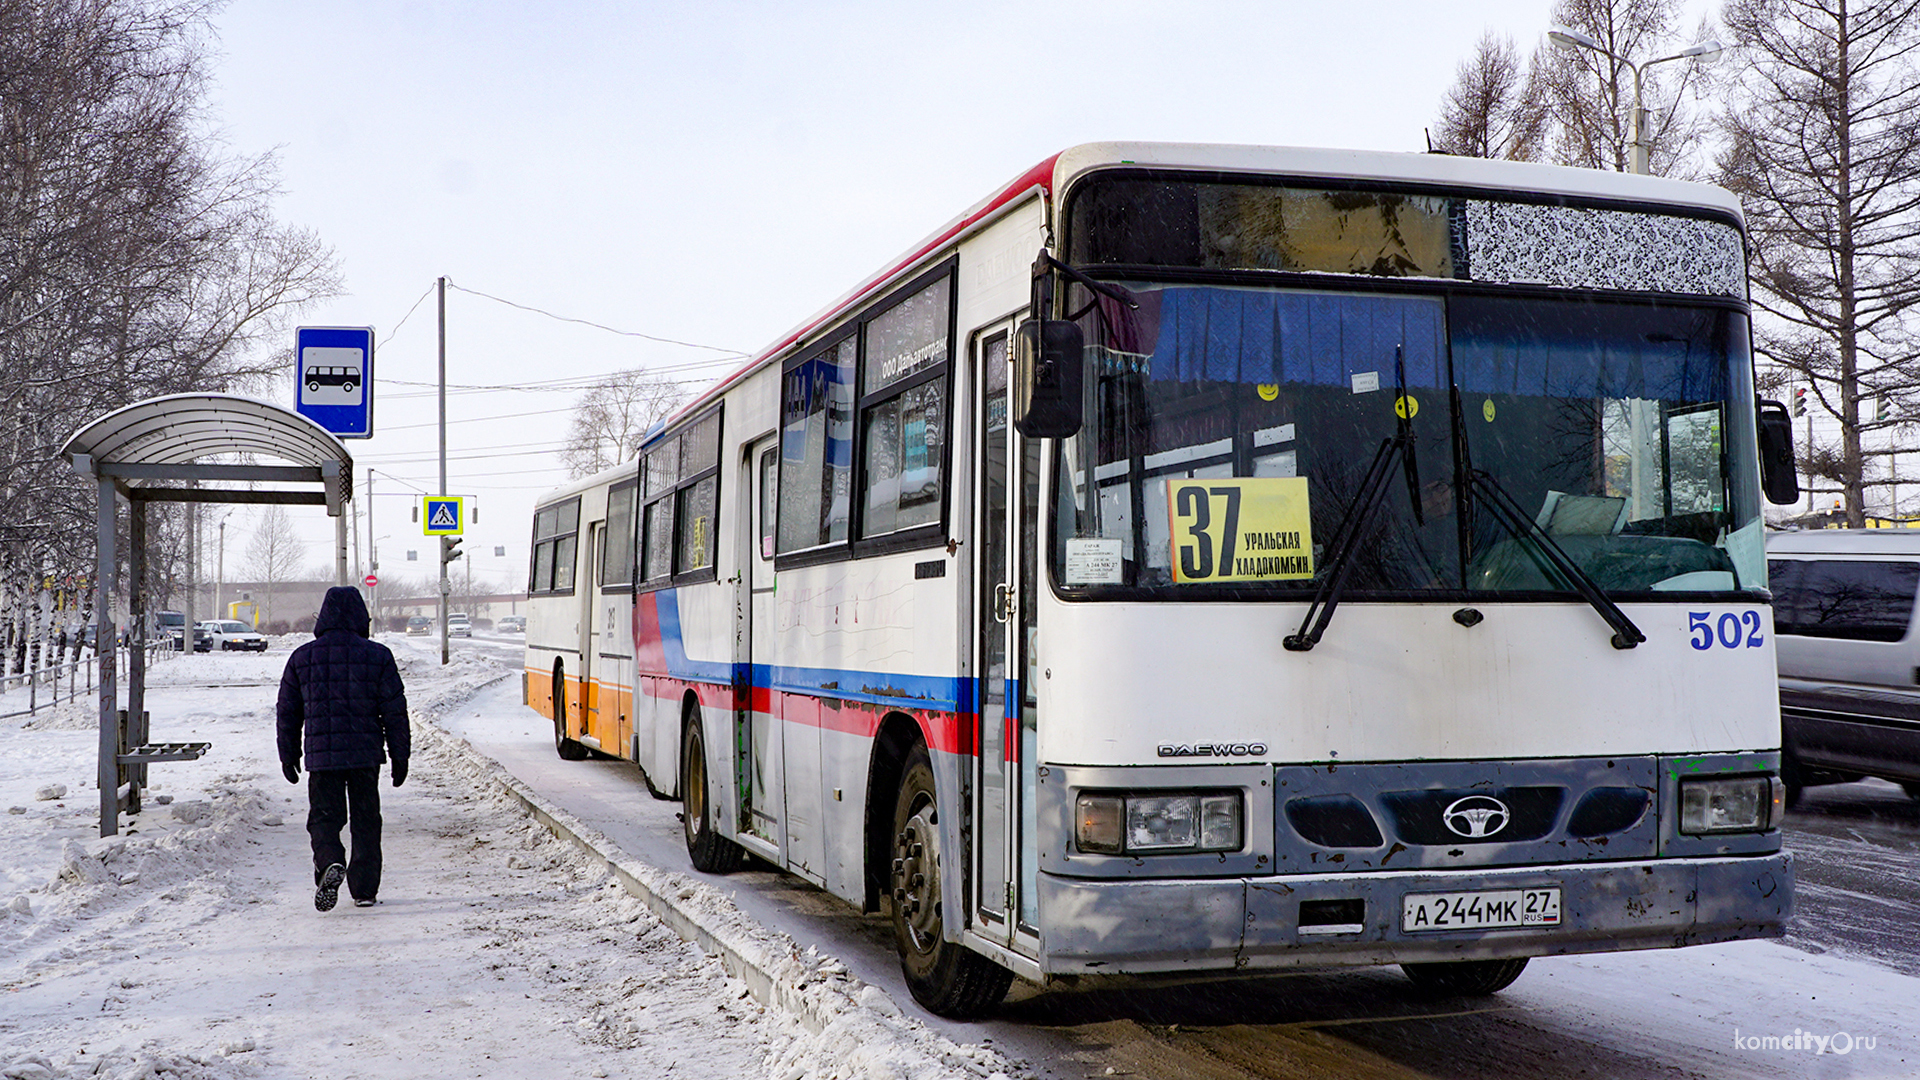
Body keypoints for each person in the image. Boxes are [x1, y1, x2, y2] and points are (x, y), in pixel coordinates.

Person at [276, 586, 410, 911]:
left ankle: (330, 860)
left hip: (322, 759)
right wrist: (400, 754)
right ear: (361, 617)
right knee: (366, 820)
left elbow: (288, 712)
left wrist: (288, 753)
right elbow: (394, 711)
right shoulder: (378, 656)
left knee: (323, 817)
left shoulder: (302, 658)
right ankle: (364, 889)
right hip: (365, 756)